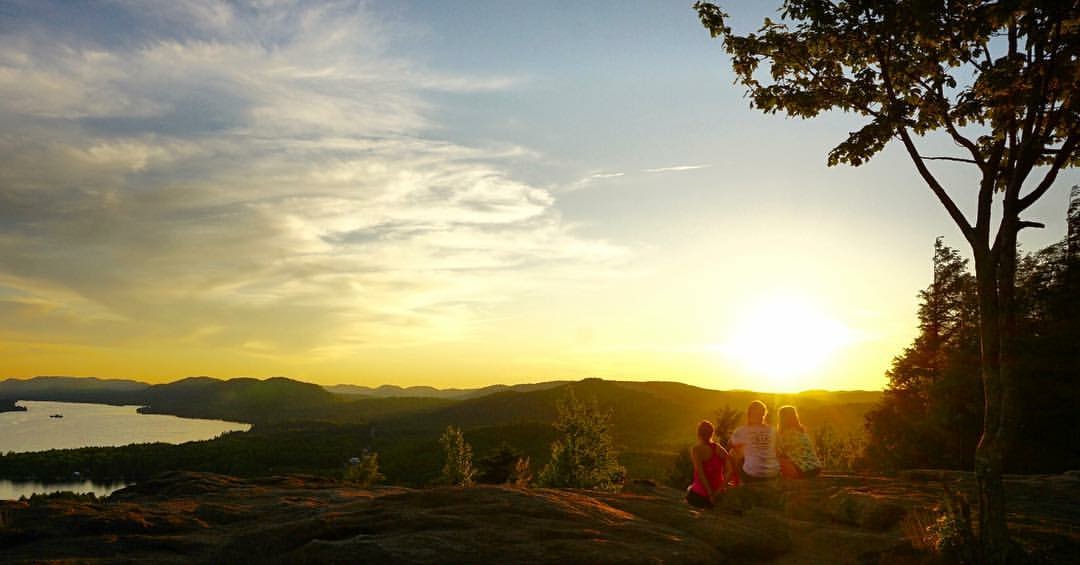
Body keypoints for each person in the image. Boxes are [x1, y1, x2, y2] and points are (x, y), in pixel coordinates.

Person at [729, 400, 779, 482]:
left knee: (732, 452)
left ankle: (736, 481)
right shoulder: (772, 430)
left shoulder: (742, 430)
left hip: (753, 474)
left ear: (749, 414)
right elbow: (777, 450)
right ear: (764, 414)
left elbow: (730, 444)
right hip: (773, 472)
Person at [686, 419, 729, 508]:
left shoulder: (696, 450)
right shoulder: (719, 449)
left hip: (700, 495)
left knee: (690, 490)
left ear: (698, 434)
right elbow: (731, 470)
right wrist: (720, 489)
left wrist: (710, 494)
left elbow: (700, 473)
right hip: (718, 495)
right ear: (712, 433)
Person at [776, 405, 822, 479]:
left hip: (803, 471)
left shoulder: (786, 434)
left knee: (779, 458)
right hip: (816, 468)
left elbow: (779, 452)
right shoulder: (802, 432)